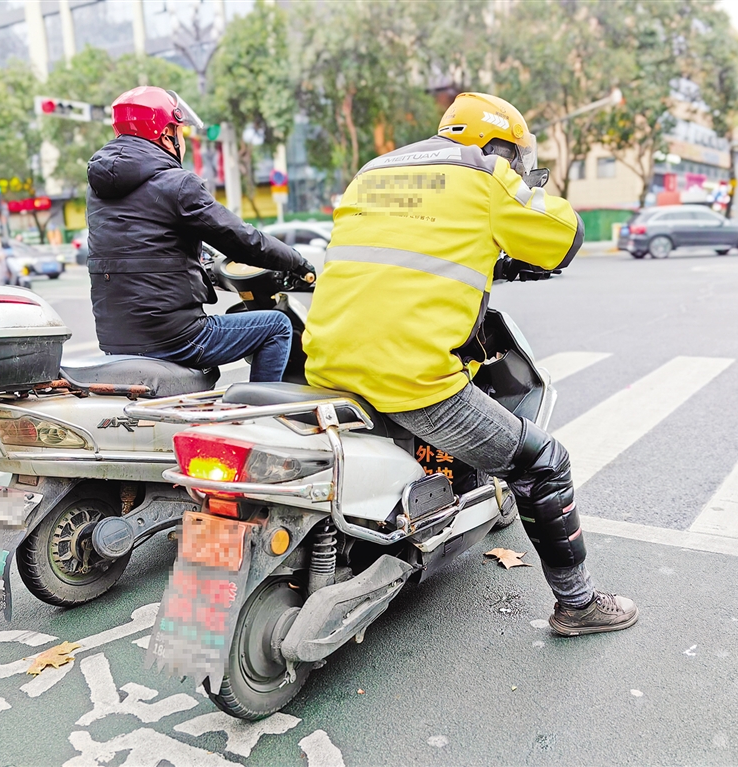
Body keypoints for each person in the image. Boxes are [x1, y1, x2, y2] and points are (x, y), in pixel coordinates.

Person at [303, 92, 637, 637]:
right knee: (546, 464)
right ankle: (578, 605)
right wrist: (519, 194)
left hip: (326, 363)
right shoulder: (484, 172)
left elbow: (405, 245)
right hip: (408, 377)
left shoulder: (374, 171)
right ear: (500, 145)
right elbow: (565, 236)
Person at [85, 86, 315, 381]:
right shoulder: (177, 184)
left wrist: (200, 265)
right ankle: (260, 407)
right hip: (173, 337)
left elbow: (143, 247)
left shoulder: (98, 191)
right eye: (180, 131)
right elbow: (242, 239)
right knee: (277, 326)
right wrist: (296, 262)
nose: (182, 139)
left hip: (115, 339)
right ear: (165, 134)